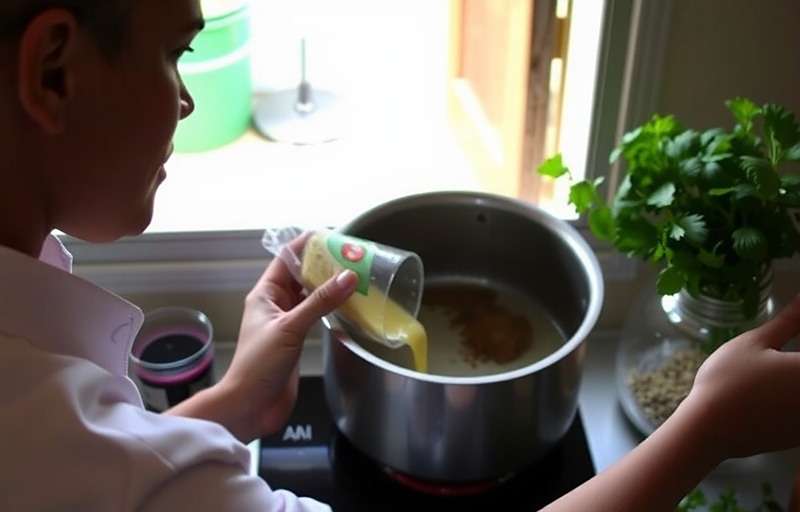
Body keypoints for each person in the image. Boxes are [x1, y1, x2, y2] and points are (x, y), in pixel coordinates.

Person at [0, 1, 799, 511]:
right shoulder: (48, 430)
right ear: (54, 72)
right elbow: (118, 477)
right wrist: (706, 428)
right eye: (175, 52)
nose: (186, 98)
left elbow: (113, 476)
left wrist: (236, 399)